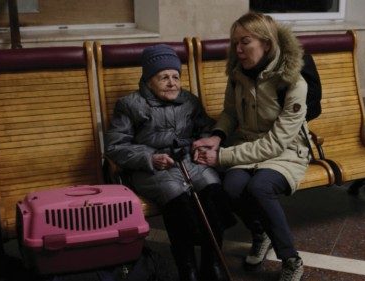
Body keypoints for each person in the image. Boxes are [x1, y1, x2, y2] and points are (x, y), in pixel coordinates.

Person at [193, 12, 308, 281]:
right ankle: (260, 233)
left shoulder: (293, 82)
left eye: (245, 42)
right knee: (230, 188)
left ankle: (291, 259)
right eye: (235, 43)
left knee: (260, 187)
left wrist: (221, 156)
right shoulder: (237, 75)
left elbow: (276, 142)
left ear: (266, 44)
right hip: (247, 145)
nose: (238, 50)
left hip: (286, 151)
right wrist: (217, 135)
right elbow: (230, 112)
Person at [104, 44, 234, 281]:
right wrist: (150, 158)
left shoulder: (189, 101)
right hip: (152, 167)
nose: (172, 82)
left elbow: (207, 129)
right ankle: (188, 270)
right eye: (164, 77)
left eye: (175, 76)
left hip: (189, 161)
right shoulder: (129, 104)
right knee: (178, 201)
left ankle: (211, 262)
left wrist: (202, 145)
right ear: (148, 80)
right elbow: (115, 146)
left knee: (213, 190)